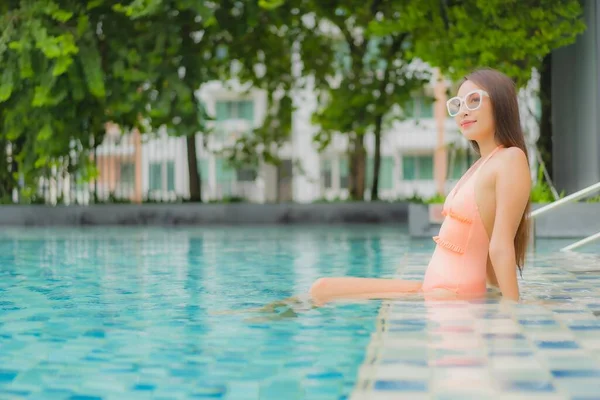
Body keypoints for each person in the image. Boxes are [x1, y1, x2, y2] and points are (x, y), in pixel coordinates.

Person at [309, 68, 532, 305]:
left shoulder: (510, 159)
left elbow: (499, 244)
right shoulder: (481, 165)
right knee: (322, 289)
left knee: (322, 291)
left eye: (474, 101)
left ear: (501, 103)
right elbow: (485, 247)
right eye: (457, 104)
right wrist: (493, 292)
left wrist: (511, 310)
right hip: (435, 287)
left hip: (451, 294)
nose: (463, 111)